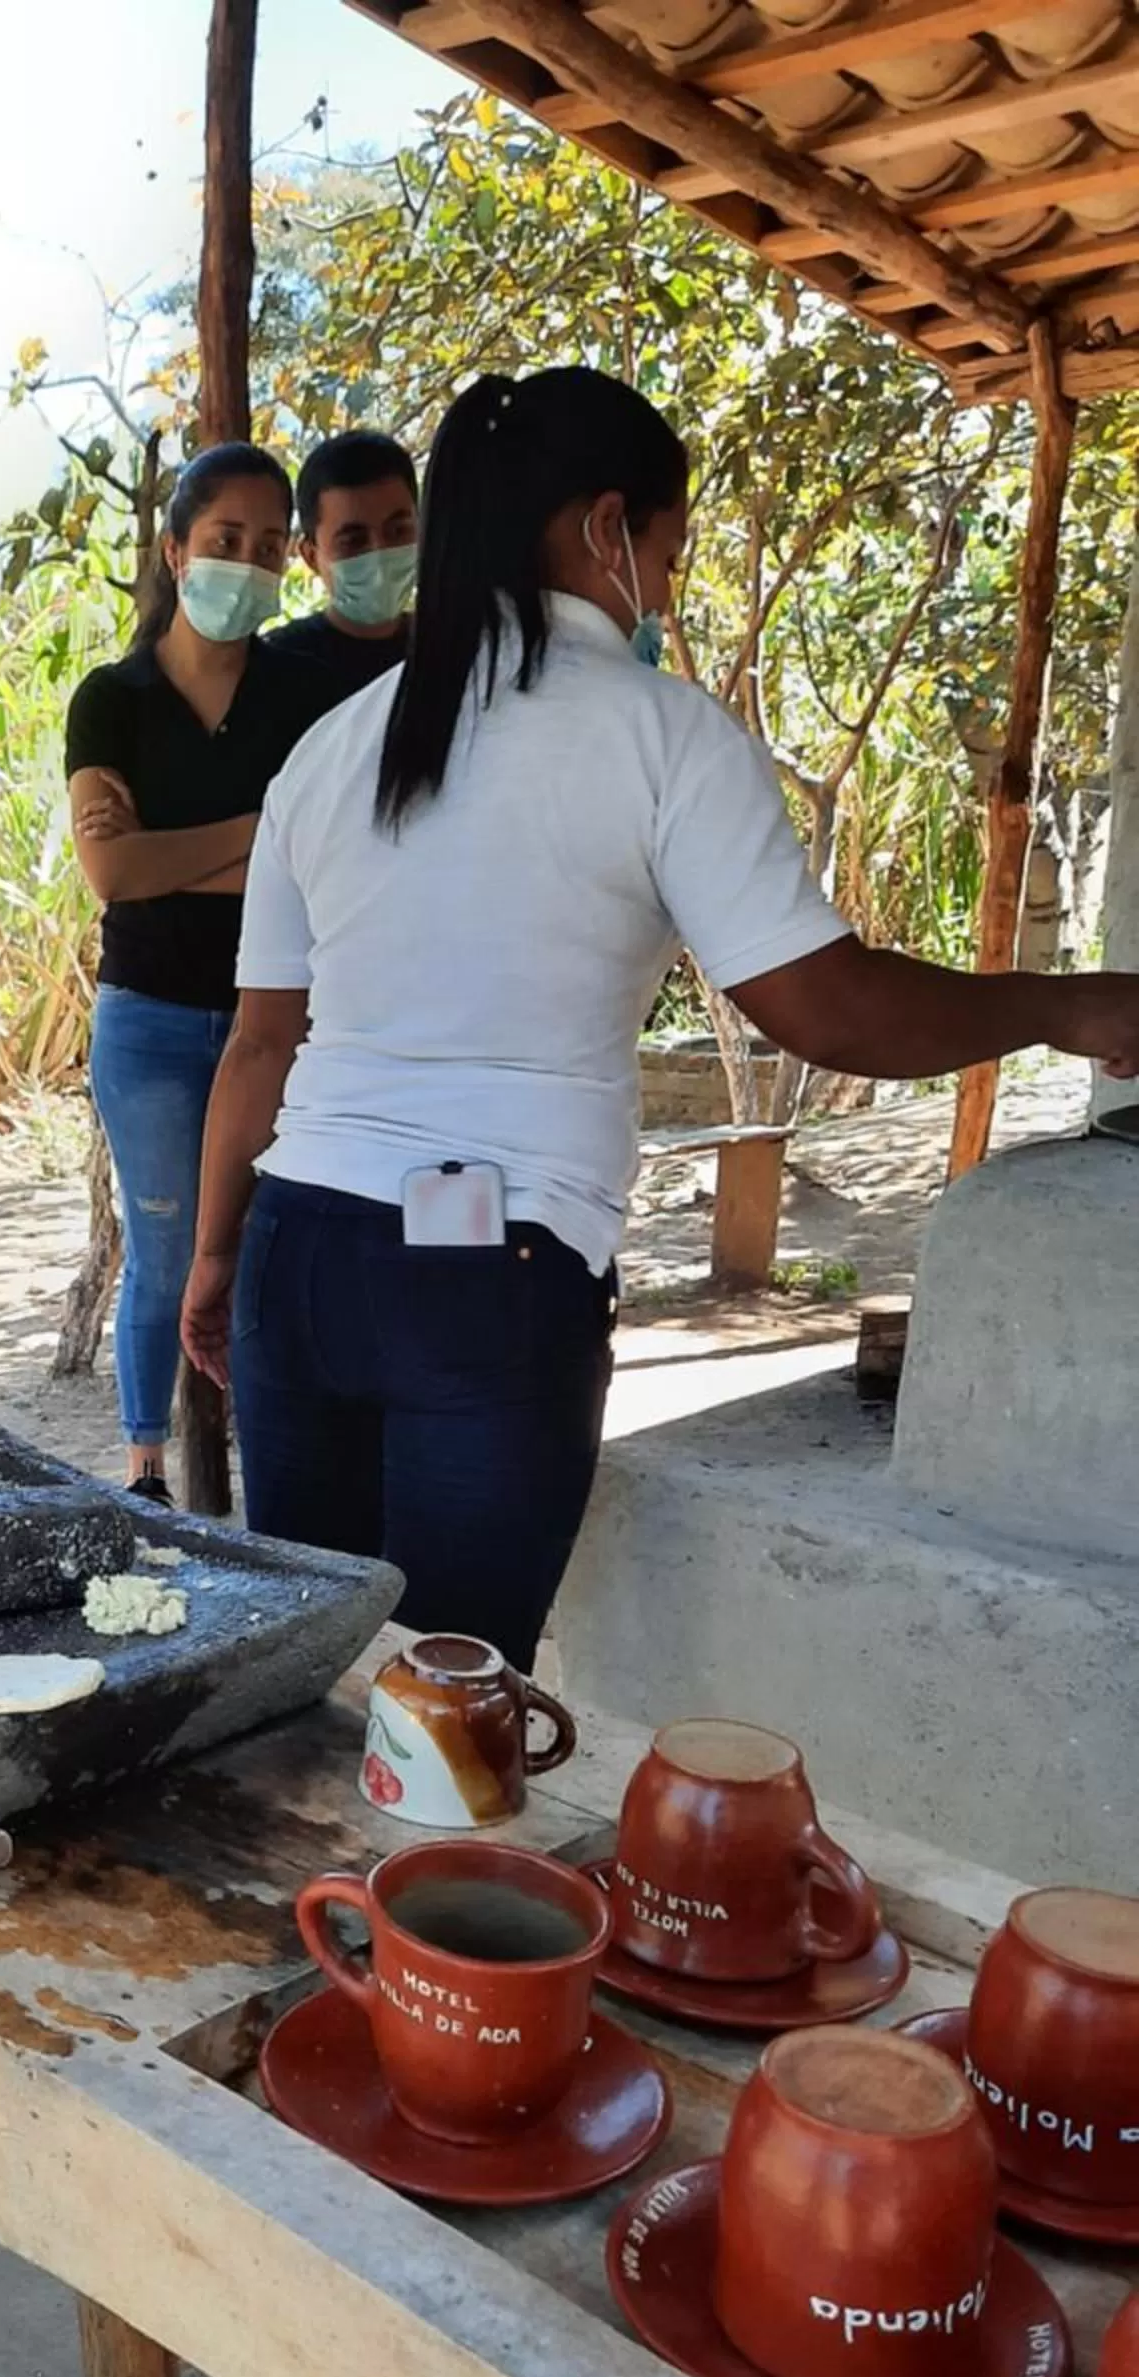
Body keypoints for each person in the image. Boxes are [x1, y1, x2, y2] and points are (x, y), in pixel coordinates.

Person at [182, 365, 1139, 1672]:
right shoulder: (663, 736)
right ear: (604, 528)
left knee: (312, 1685)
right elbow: (830, 1011)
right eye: (669, 555)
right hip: (486, 1269)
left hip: (298, 1253)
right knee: (450, 1702)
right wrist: (1063, 1004)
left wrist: (217, 1258)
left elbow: (258, 1043)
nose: (667, 592)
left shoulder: (338, 746)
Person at [65, 444, 314, 1501]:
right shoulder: (111, 698)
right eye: (225, 540)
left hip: (281, 1025)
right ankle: (146, 1473)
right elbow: (114, 874)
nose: (245, 565)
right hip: (152, 1022)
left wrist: (178, 851)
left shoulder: (301, 694)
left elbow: (315, 864)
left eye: (268, 546)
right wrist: (260, 832)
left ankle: (271, 1469)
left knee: (264, 1255)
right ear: (175, 550)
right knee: (164, 1254)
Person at [267, 427, 421, 715]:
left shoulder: (450, 651)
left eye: (398, 531)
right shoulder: (277, 670)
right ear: (311, 556)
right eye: (354, 541)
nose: (379, 553)